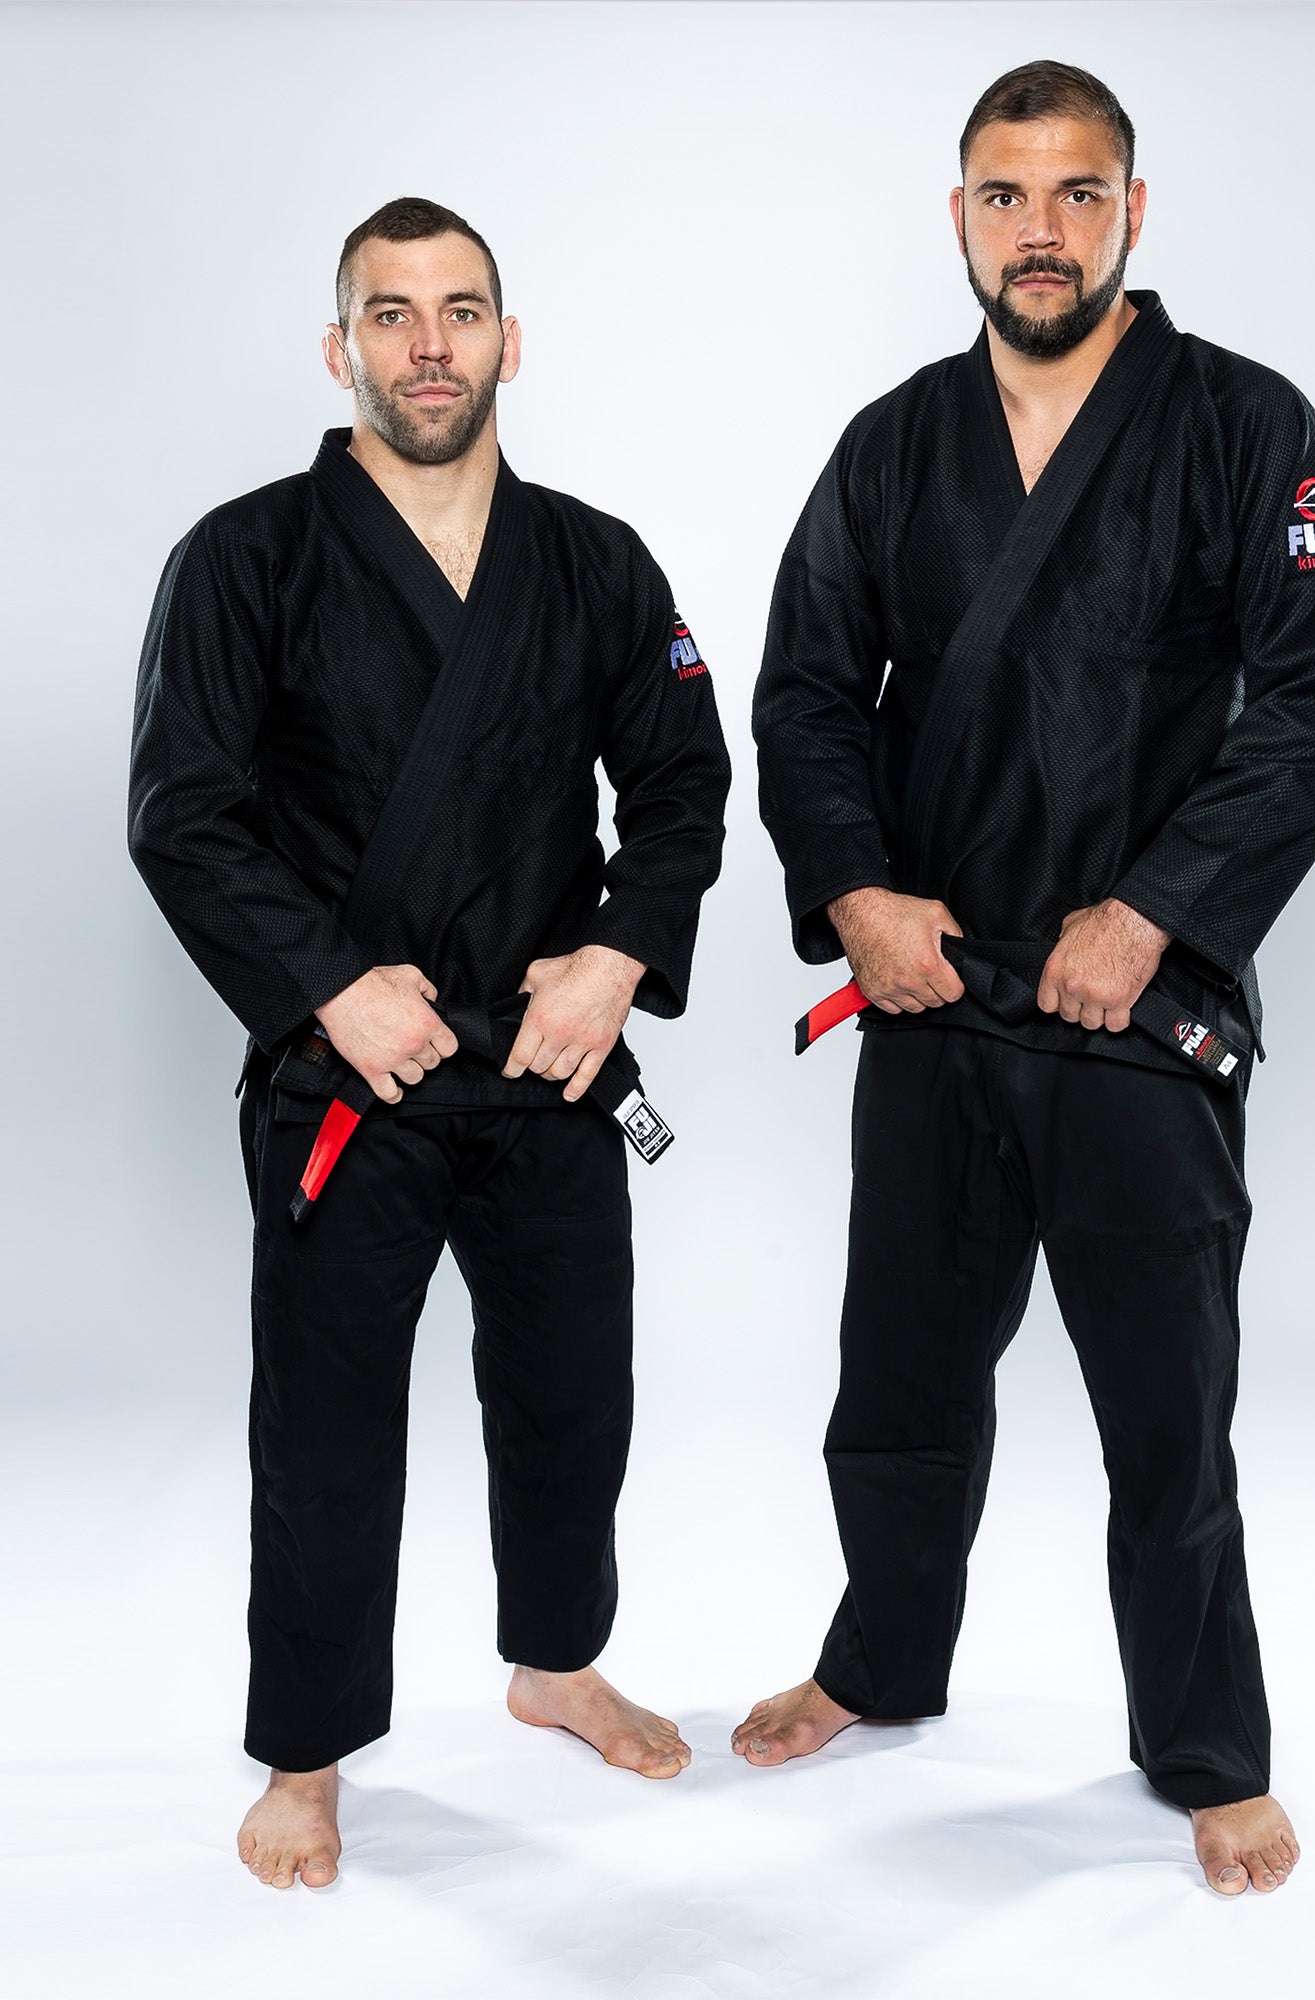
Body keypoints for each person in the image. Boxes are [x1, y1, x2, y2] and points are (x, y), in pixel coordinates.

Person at [741, 61, 1315, 1897]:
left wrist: (1157, 911)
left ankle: (1206, 1749)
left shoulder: (1253, 430)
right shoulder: (890, 444)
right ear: (960, 219)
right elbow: (801, 698)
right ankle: (883, 1660)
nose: (1041, 231)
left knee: (1164, 1402)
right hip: (934, 989)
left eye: (1076, 195)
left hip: (1130, 1010)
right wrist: (859, 894)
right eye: (1006, 198)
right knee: (900, 1375)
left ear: (1133, 214)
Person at [128, 197, 731, 1890]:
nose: (430, 344)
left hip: (546, 1065)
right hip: (355, 1078)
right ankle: (308, 1757)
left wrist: (616, 956)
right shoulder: (244, 557)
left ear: (509, 340)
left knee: (570, 1397)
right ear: (342, 351)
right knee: (325, 1425)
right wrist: (330, 984)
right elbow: (183, 815)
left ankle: (554, 1665)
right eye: (390, 315)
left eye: (460, 310)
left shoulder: (599, 561)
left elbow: (684, 783)